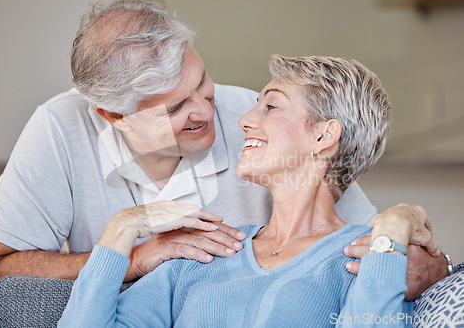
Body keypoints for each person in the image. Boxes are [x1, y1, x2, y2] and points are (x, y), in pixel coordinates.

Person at [0, 0, 448, 296]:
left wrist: (434, 266)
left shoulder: (254, 120)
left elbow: (366, 237)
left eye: (202, 81)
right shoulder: (59, 128)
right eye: (177, 107)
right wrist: (132, 258)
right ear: (114, 116)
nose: (208, 110)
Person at [58, 55, 439, 327]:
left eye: (270, 106)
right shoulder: (206, 250)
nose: (243, 120)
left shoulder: (368, 257)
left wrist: (391, 230)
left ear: (324, 135)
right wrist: (121, 229)